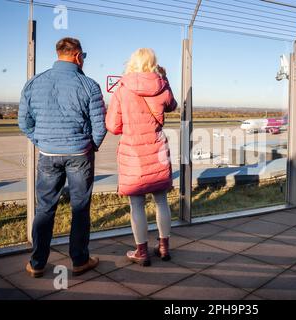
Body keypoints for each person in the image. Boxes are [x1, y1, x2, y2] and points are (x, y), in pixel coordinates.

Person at [19, 37, 107, 277]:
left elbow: (23, 122)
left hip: (48, 154)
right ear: (78, 56)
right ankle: (79, 260)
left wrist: (42, 141)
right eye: (83, 57)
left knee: (45, 208)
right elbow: (100, 126)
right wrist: (91, 147)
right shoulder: (89, 85)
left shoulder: (33, 83)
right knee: (80, 207)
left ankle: (37, 263)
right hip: (80, 154)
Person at [106, 48, 177, 266]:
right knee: (161, 200)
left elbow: (112, 126)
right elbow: (173, 106)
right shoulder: (162, 86)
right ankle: (164, 247)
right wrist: (164, 78)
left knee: (136, 203)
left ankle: (142, 252)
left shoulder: (122, 89)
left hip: (133, 152)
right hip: (156, 149)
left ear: (132, 63)